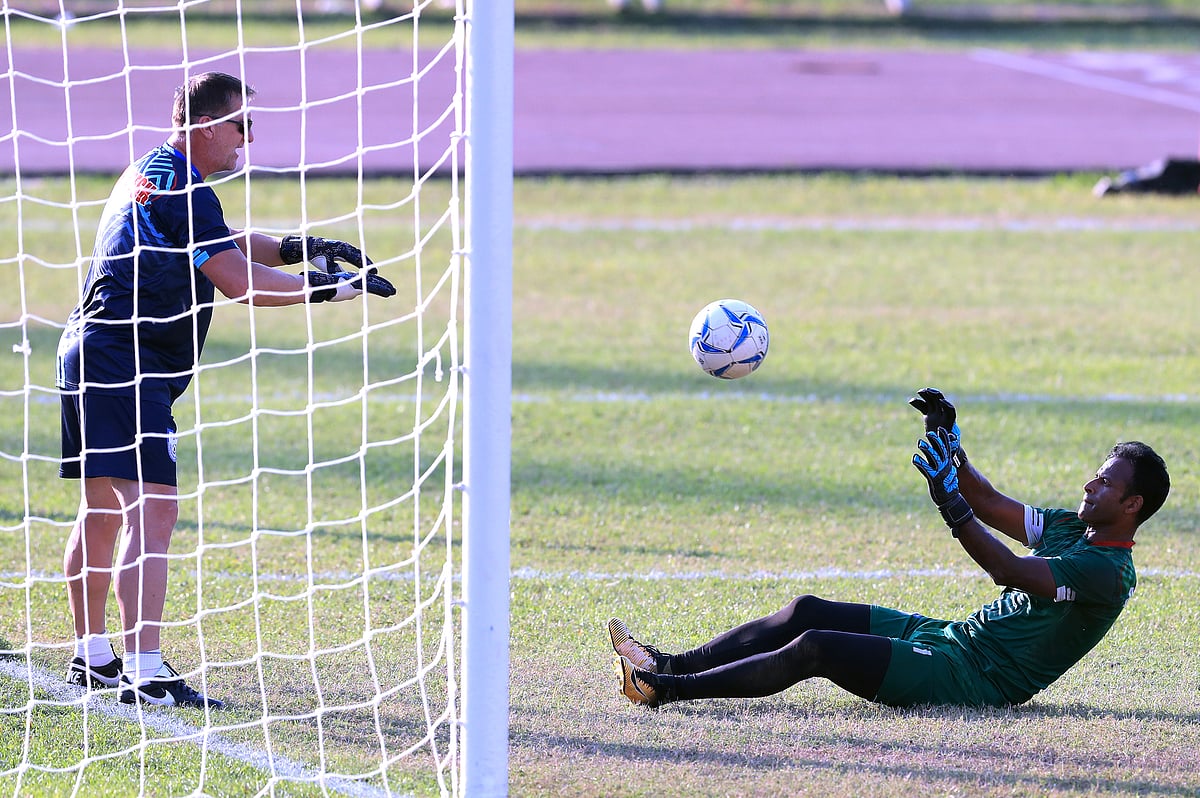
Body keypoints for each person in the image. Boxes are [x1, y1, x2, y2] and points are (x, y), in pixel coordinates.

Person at [56, 71, 395, 709]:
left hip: (93, 354)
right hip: (122, 363)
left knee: (103, 507)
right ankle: (145, 672)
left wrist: (300, 247)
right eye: (241, 125)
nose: (248, 138)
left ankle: (93, 657)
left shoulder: (160, 173)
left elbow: (227, 242)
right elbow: (239, 281)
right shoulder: (182, 184)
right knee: (152, 509)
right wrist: (331, 289)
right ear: (207, 125)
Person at [609, 388, 1170, 709]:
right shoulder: (1075, 527)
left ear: (1132, 506)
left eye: (1105, 483)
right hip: (951, 639)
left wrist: (950, 508)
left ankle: (666, 690)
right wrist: (950, 444)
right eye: (1097, 475)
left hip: (973, 680)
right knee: (808, 609)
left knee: (817, 647)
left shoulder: (1107, 572)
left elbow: (1007, 569)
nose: (1090, 485)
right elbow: (990, 500)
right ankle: (666, 662)